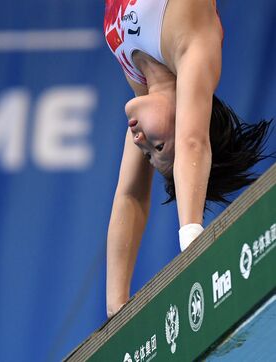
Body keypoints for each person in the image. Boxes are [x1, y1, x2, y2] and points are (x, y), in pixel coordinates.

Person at [104, 0, 272, 318]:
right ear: (184, 120)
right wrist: (192, 244)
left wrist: (116, 307)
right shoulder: (195, 41)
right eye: (158, 147)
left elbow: (131, 195)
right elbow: (193, 143)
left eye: (147, 153)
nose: (140, 142)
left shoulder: (139, 78)